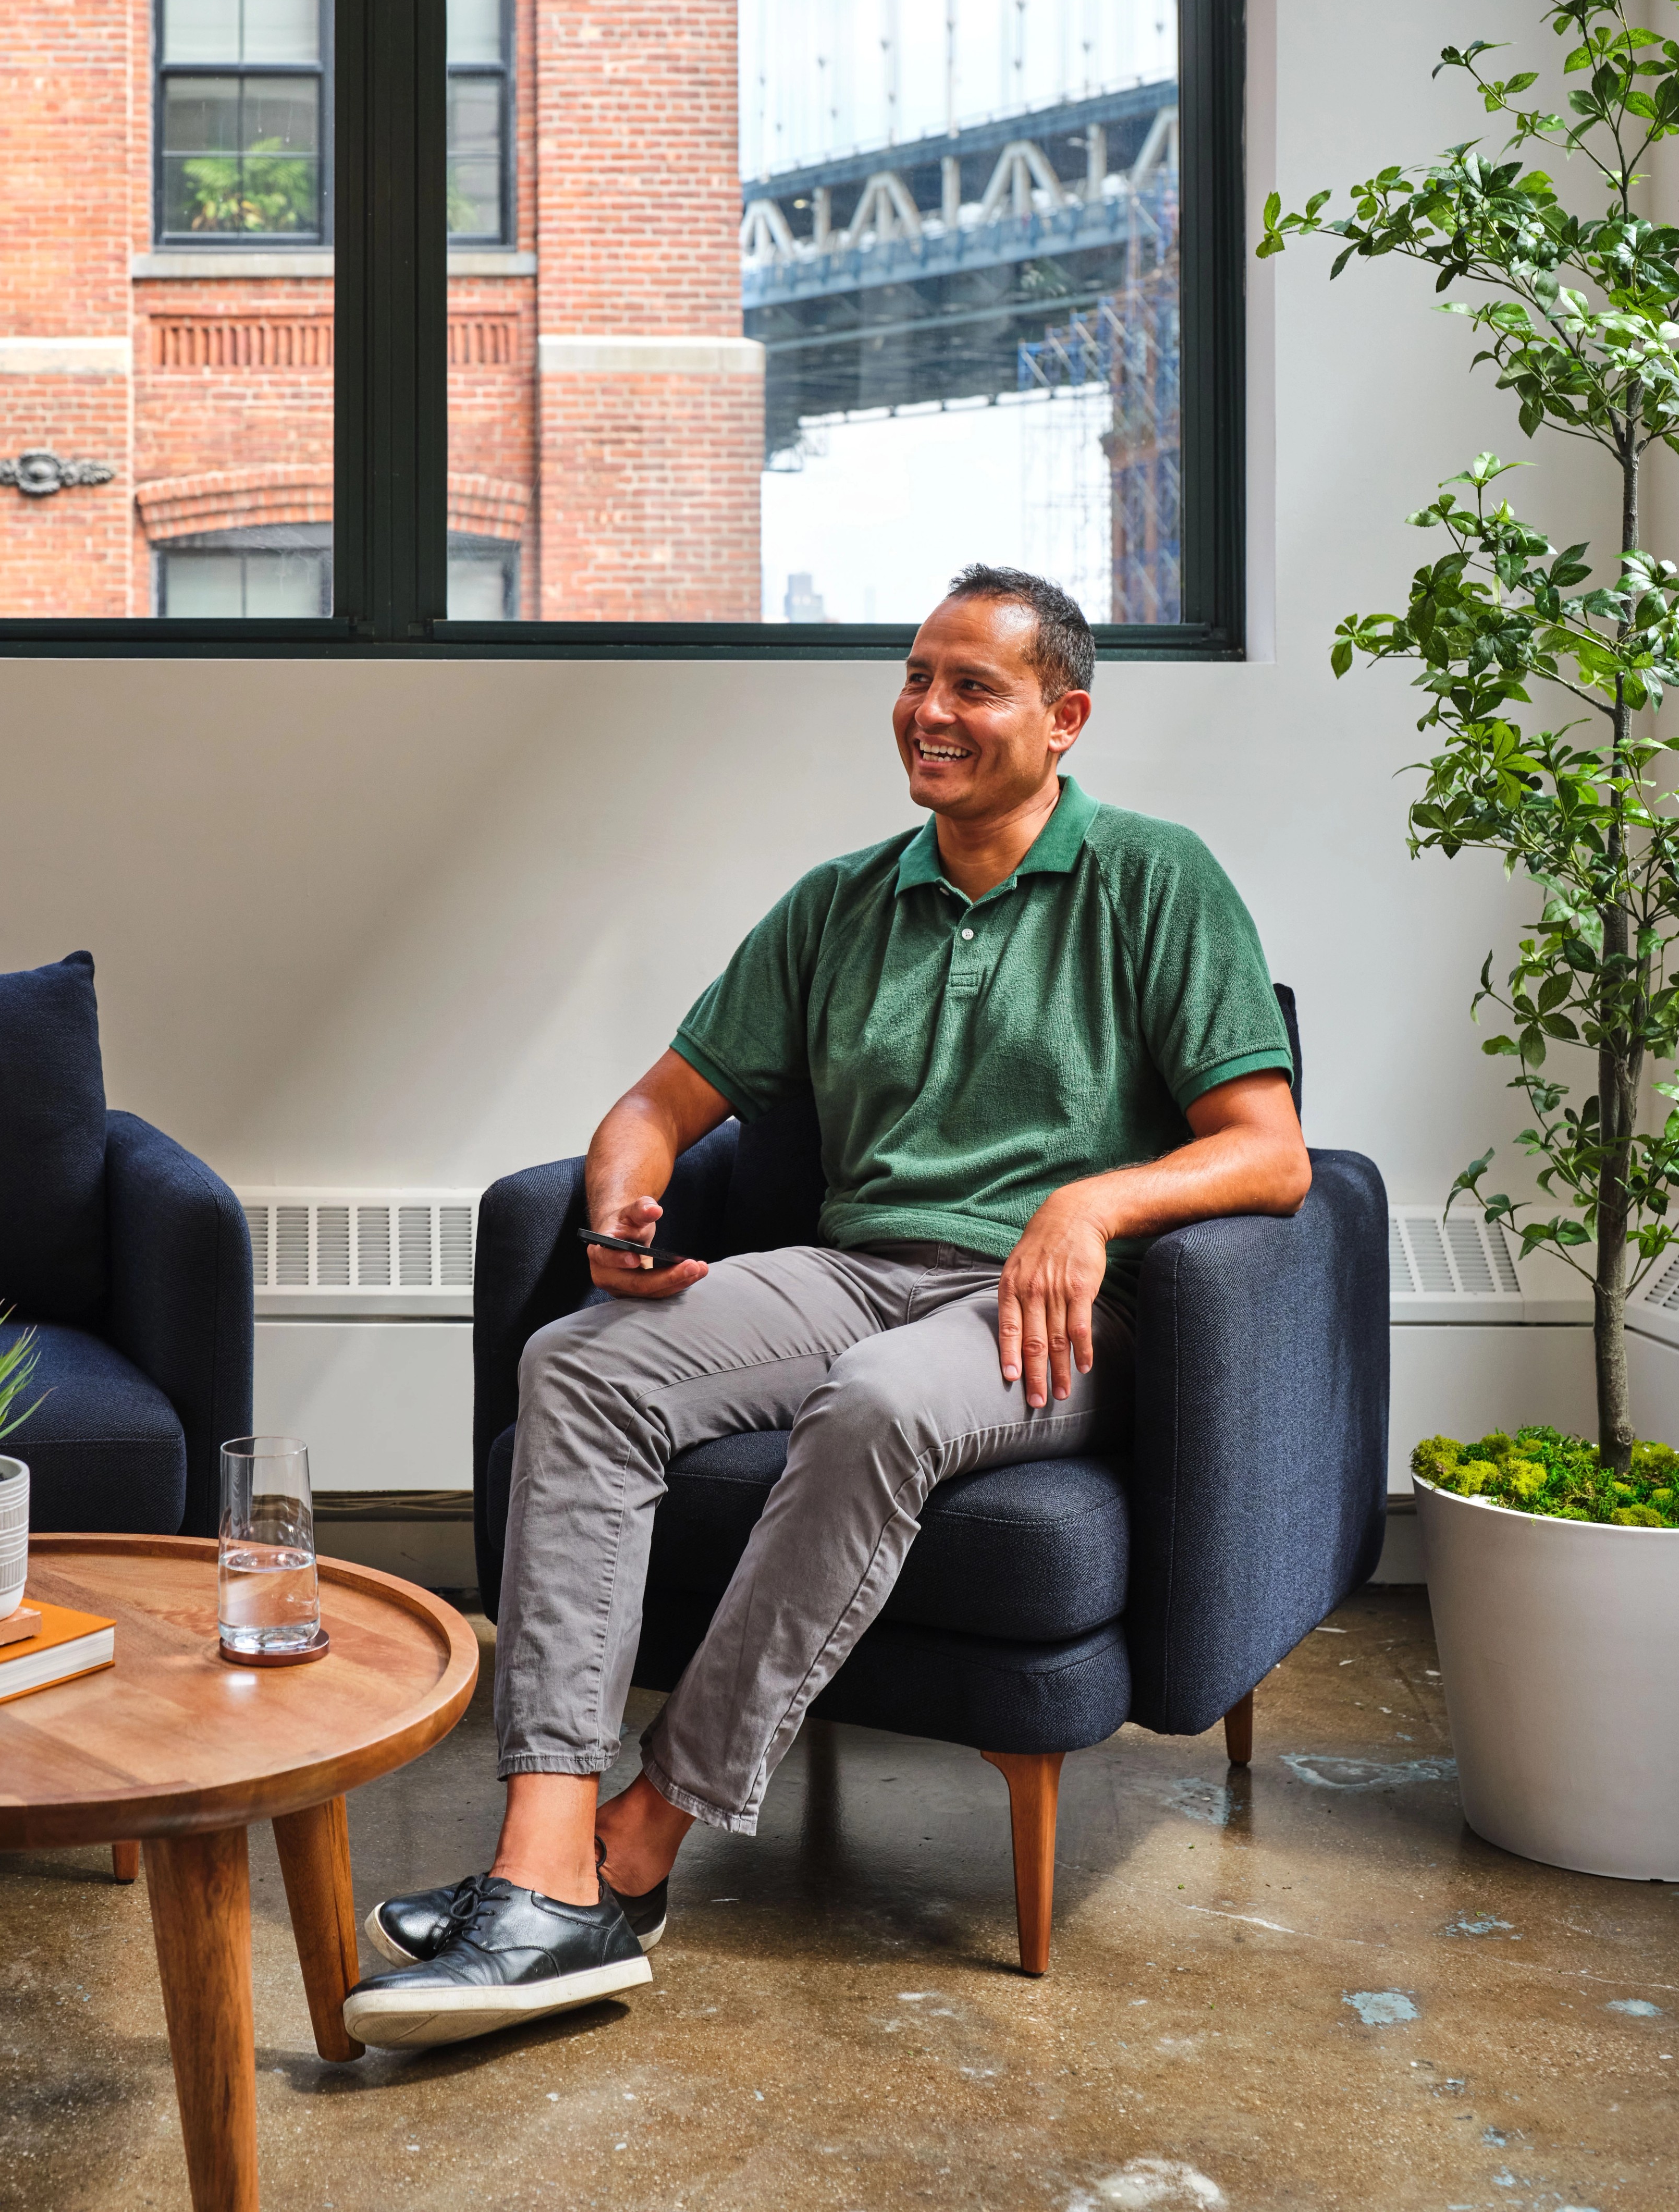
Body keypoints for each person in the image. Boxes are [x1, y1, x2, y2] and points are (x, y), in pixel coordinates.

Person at [342, 565, 1309, 2050]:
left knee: (878, 1404)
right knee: (582, 1363)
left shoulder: (1154, 880)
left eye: (971, 686)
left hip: (1040, 1316)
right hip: (856, 1271)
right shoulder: (843, 903)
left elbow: (1271, 1150)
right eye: (918, 675)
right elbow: (658, 1105)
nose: (928, 710)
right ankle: (544, 1859)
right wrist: (620, 1204)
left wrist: (1089, 1205)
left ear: (1066, 721)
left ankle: (642, 1839)